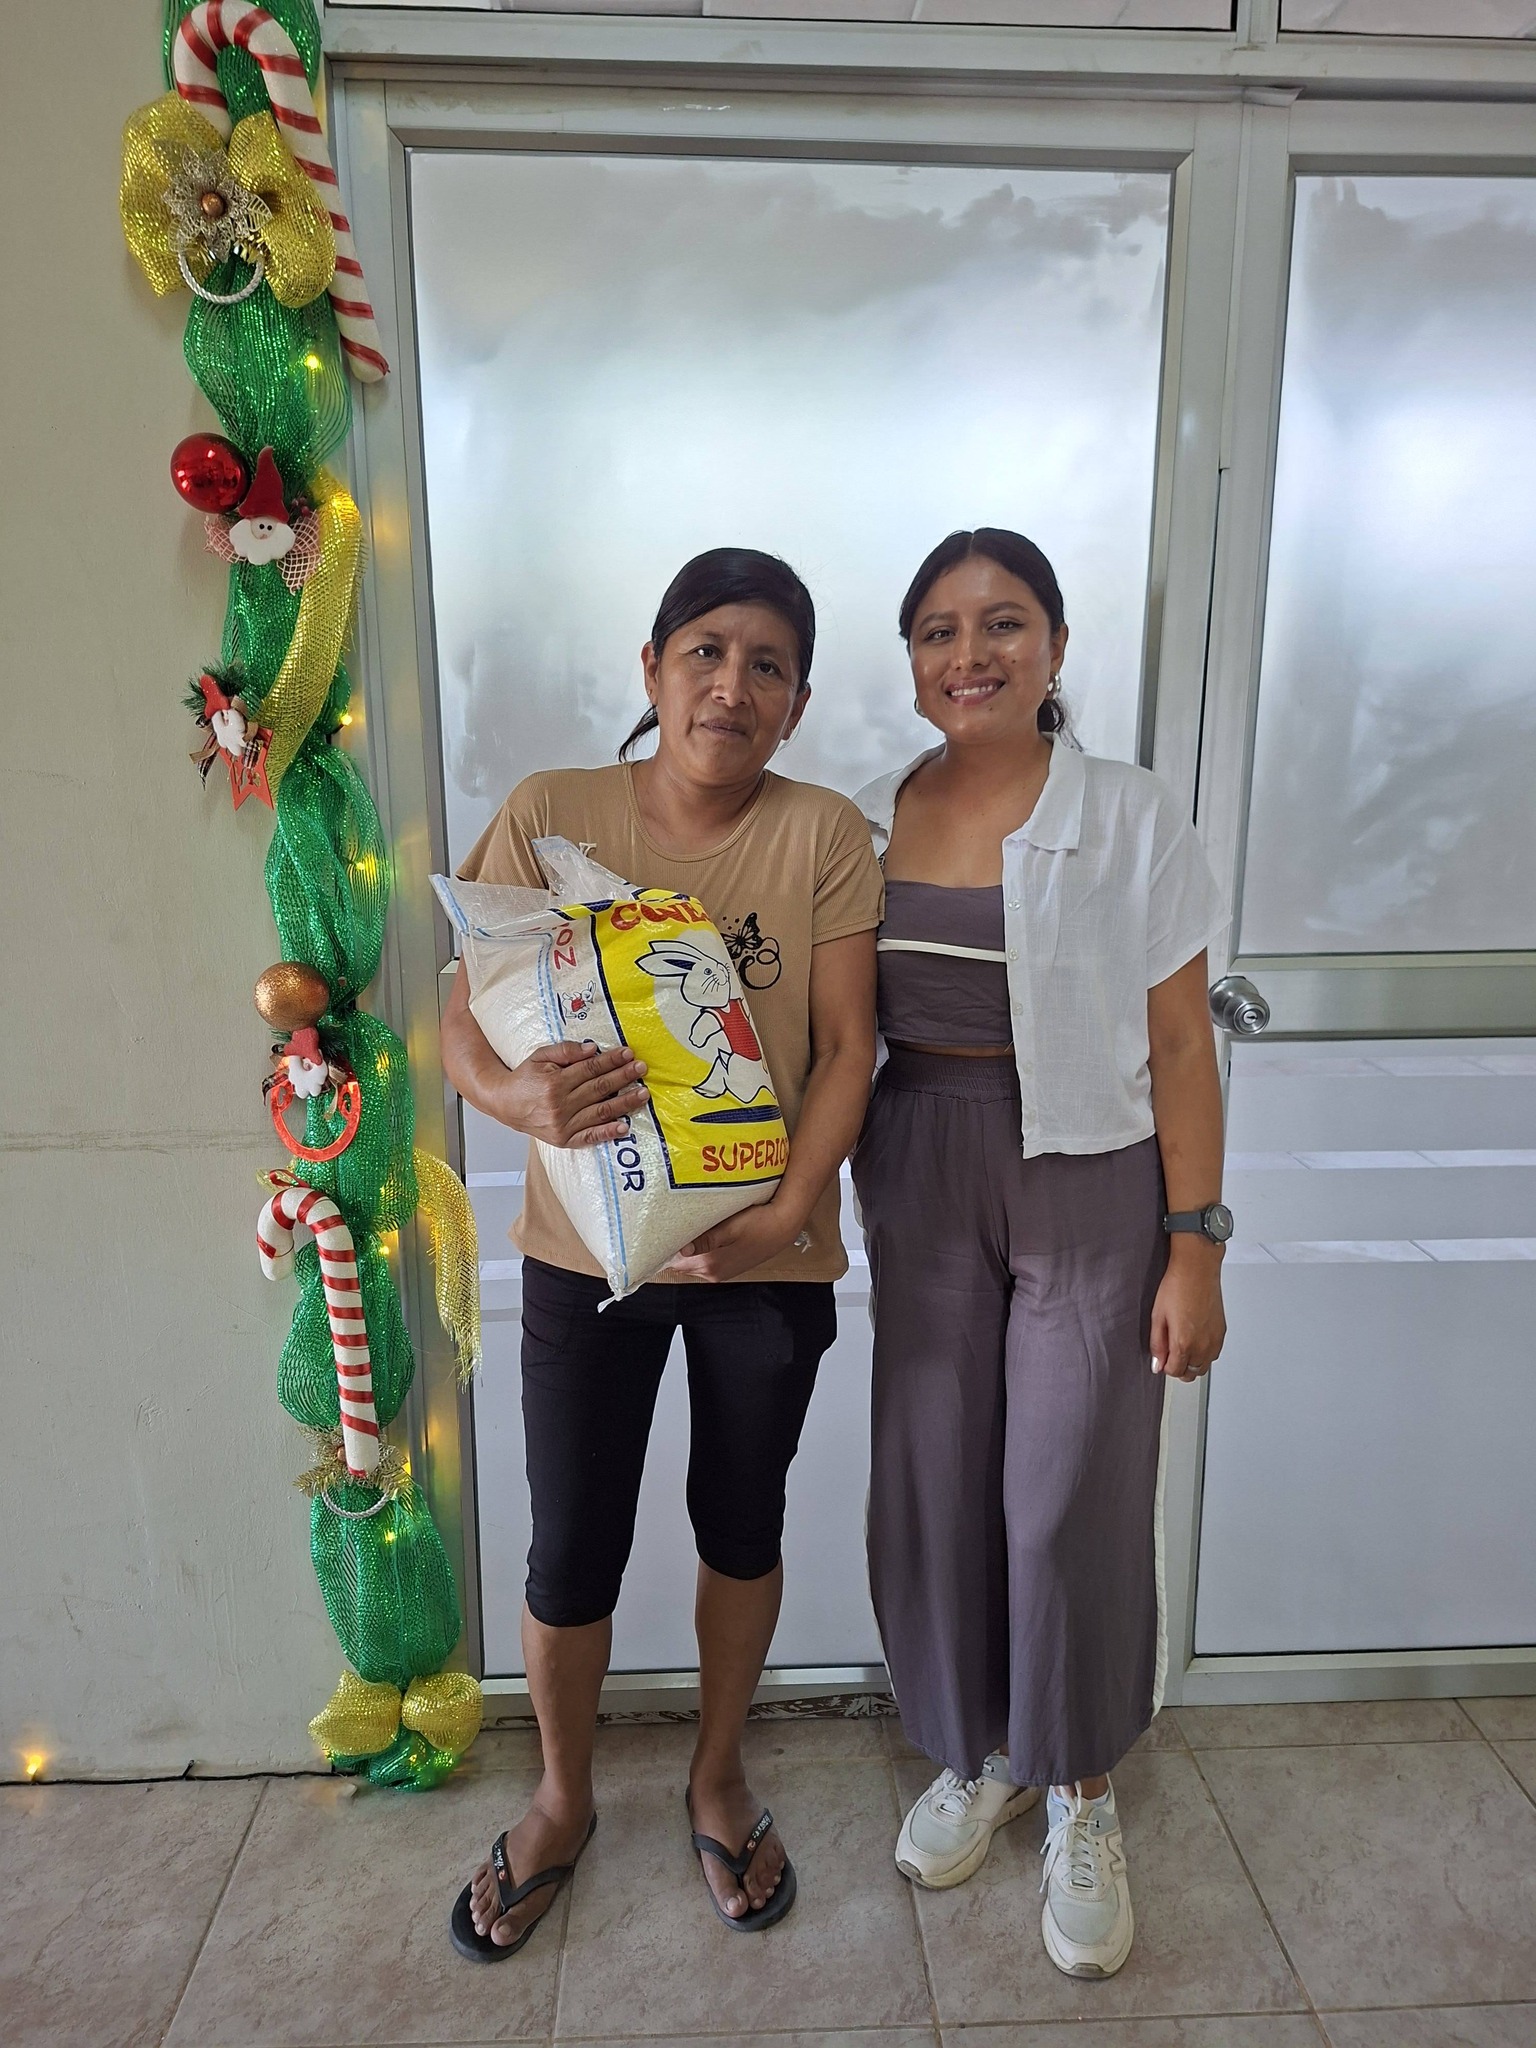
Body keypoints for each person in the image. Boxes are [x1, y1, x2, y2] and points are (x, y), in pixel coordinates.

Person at [442, 548, 882, 1959]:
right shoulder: (550, 812)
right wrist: (512, 1099)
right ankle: (561, 1798)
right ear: (652, 667)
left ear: (797, 701)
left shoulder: (824, 835)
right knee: (572, 1540)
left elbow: (848, 1051)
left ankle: (717, 1774)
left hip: (767, 1261)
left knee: (740, 1524)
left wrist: (790, 1211)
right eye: (705, 652)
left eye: (768, 666)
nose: (731, 686)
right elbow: (460, 1002)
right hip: (586, 1258)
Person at [852, 528, 1229, 1980]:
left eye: (1004, 623)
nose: (972, 654)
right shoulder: (869, 819)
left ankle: (1079, 1785)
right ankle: (981, 1751)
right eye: (940, 631)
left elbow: (1183, 1042)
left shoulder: (1129, 812)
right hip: (921, 1164)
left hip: (1091, 1176)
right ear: (912, 662)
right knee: (937, 1476)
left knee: (1069, 1492)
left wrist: (1195, 1245)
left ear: (1056, 647)